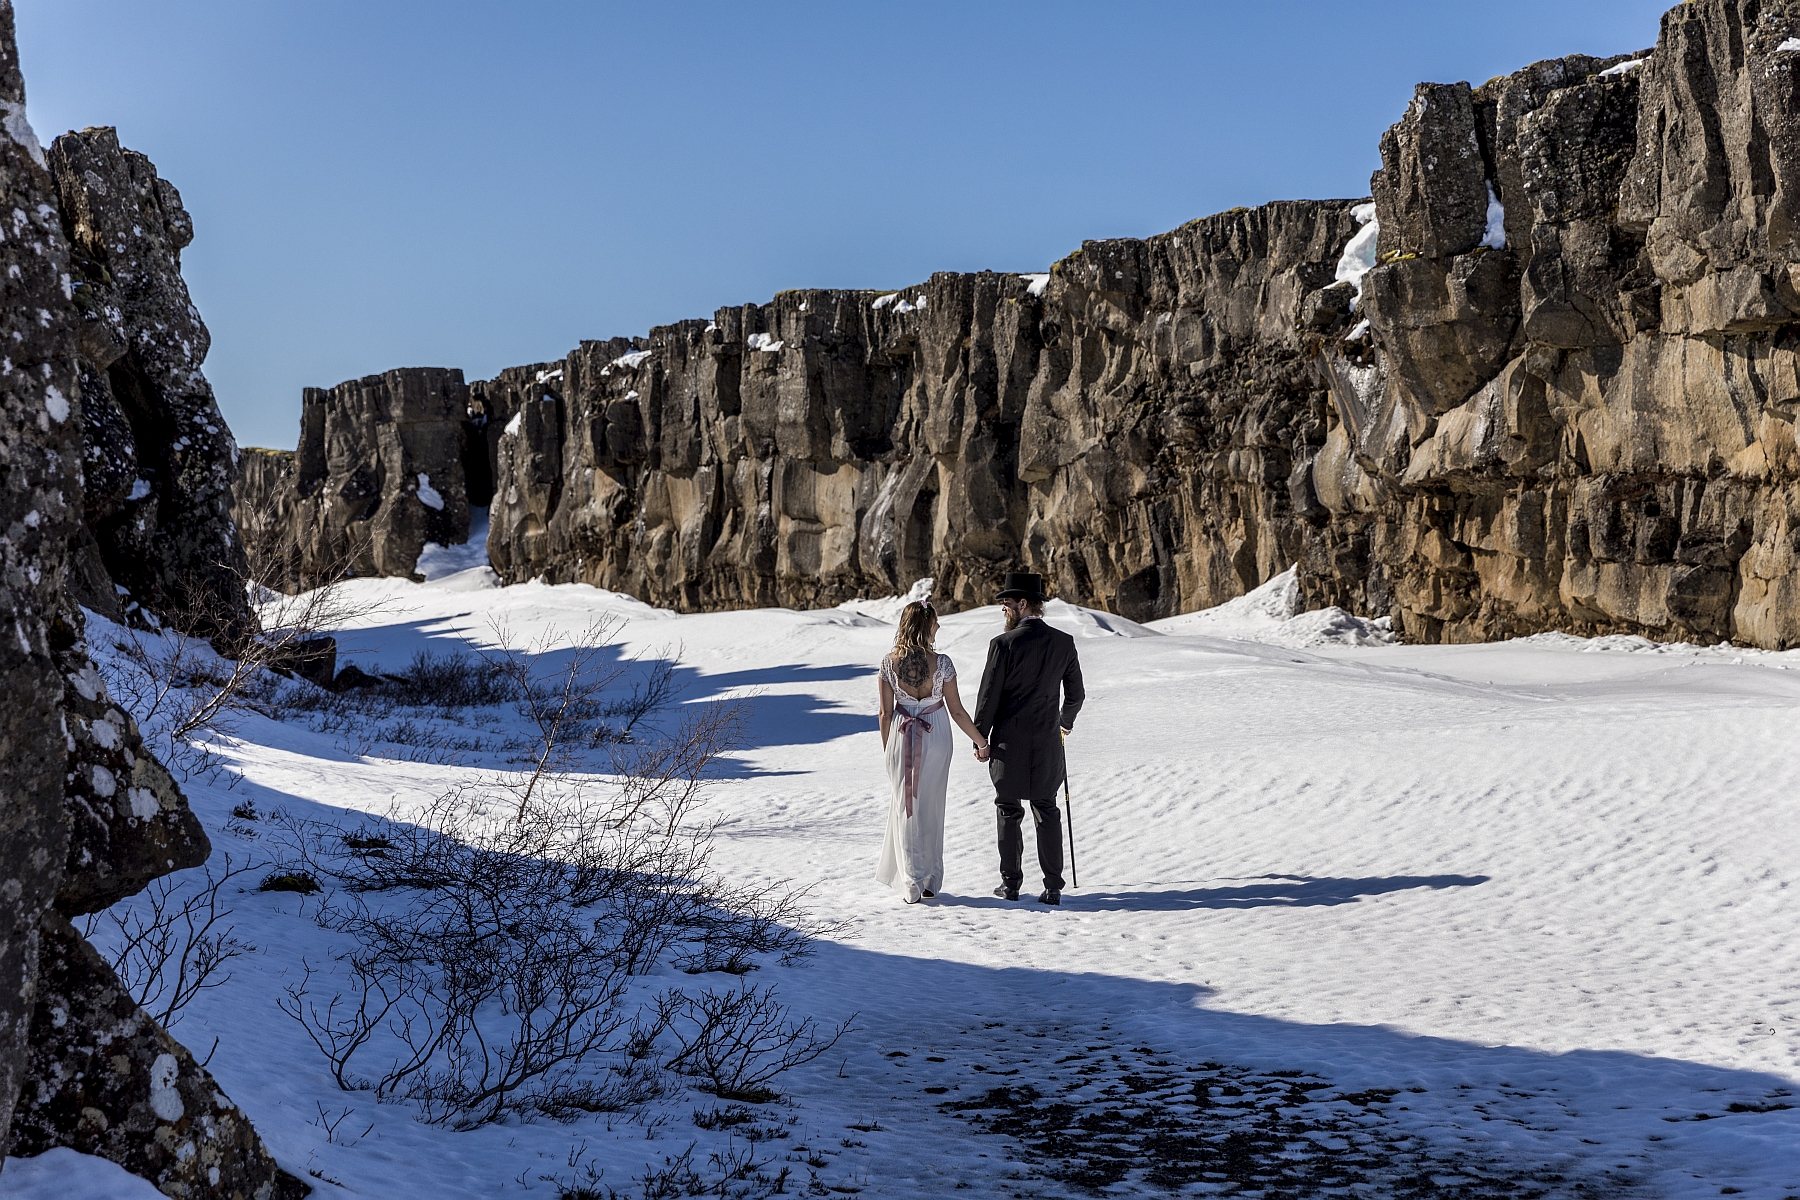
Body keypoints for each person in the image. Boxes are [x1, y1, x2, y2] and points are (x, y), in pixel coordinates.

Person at [973, 571, 1085, 905]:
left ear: (1023, 603)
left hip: (1009, 746)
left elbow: (988, 698)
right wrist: (1063, 725)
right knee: (1047, 809)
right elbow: (1076, 695)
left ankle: (1011, 885)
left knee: (1008, 810)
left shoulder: (1002, 645)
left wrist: (981, 740)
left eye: (1006, 605)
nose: (1004, 611)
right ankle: (1052, 887)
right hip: (1049, 745)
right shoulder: (1063, 642)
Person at [876, 598, 989, 904]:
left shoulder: (889, 663)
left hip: (901, 734)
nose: (939, 626)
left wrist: (890, 753)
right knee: (932, 805)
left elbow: (885, 714)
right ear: (926, 626)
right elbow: (958, 711)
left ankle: (911, 882)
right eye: (935, 621)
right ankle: (929, 880)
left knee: (906, 808)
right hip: (936, 733)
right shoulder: (943, 663)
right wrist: (981, 741)